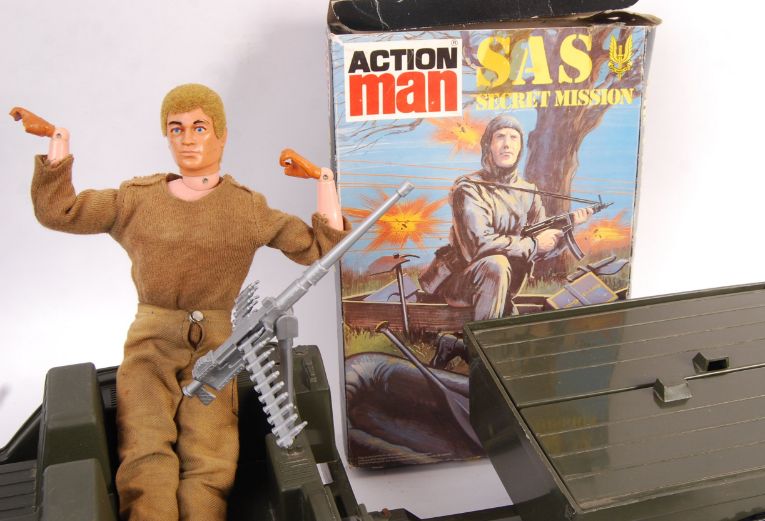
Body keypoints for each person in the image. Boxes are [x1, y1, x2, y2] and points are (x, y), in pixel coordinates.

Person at [11, 84, 348, 521]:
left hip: (218, 345)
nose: (188, 139)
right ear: (167, 137)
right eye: (176, 128)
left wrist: (324, 181)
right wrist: (58, 142)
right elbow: (61, 211)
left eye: (200, 127)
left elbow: (319, 248)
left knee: (211, 455)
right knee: (144, 444)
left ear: (221, 136)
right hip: (151, 338)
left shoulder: (246, 209)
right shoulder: (137, 198)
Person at [421, 115, 591, 321]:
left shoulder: (528, 191)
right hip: (460, 283)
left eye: (513, 138)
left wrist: (565, 231)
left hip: (507, 285)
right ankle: (485, 337)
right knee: (496, 264)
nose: (507, 144)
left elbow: (541, 246)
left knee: (499, 267)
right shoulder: (469, 188)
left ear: (520, 147)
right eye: (500, 137)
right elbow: (477, 246)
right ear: (488, 145)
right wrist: (534, 245)